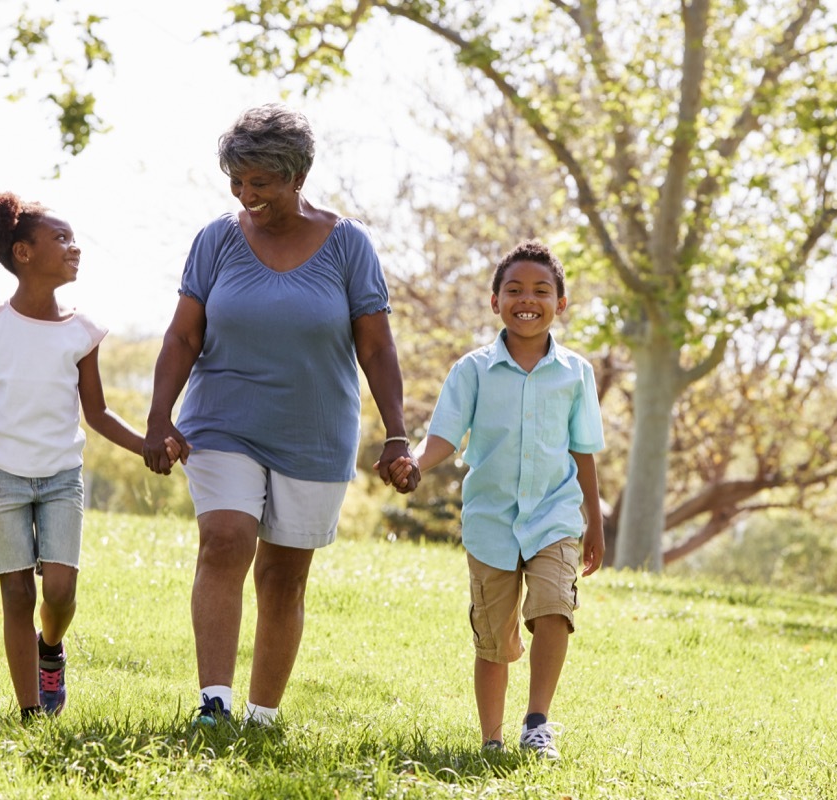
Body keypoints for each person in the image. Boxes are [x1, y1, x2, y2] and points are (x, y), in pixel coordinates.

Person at [142, 104, 416, 728]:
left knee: (284, 576)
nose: (245, 194)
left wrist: (396, 434)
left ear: (296, 175)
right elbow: (183, 337)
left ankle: (262, 717)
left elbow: (375, 346)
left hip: (314, 431)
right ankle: (214, 705)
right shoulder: (217, 239)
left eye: (258, 181)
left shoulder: (350, 245)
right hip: (223, 420)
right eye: (237, 182)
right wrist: (160, 417)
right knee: (225, 539)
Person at [0, 192, 184, 722]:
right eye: (62, 239)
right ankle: (31, 711)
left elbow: (95, 413)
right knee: (14, 595)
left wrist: (147, 443)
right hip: (2, 478)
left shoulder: (83, 331)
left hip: (59, 478)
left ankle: (51, 648)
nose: (75, 248)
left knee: (59, 589)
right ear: (24, 253)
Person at [382, 240, 605, 759]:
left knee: (554, 609)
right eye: (514, 290)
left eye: (541, 291)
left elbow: (585, 451)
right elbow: (443, 437)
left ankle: (537, 722)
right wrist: (414, 462)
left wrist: (594, 523)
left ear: (561, 304)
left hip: (555, 515)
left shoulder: (576, 374)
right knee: (494, 639)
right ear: (495, 301)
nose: (527, 300)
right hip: (491, 522)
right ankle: (492, 741)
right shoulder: (473, 370)